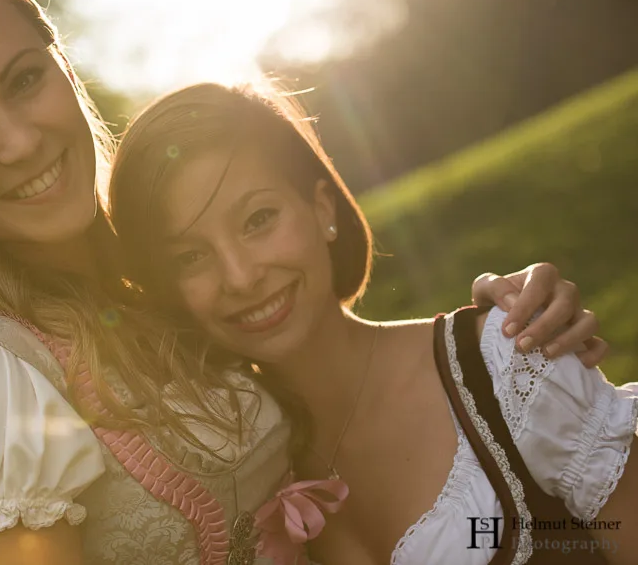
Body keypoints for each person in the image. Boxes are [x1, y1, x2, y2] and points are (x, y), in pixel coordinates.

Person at [0, 0, 610, 564]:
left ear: (65, 70)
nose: (18, 141)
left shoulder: (131, 277)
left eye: (25, 79)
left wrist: (504, 351)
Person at [108, 81, 637, 565]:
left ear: (322, 210)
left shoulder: (506, 366)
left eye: (258, 219)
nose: (241, 277)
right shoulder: (238, 477)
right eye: (190, 257)